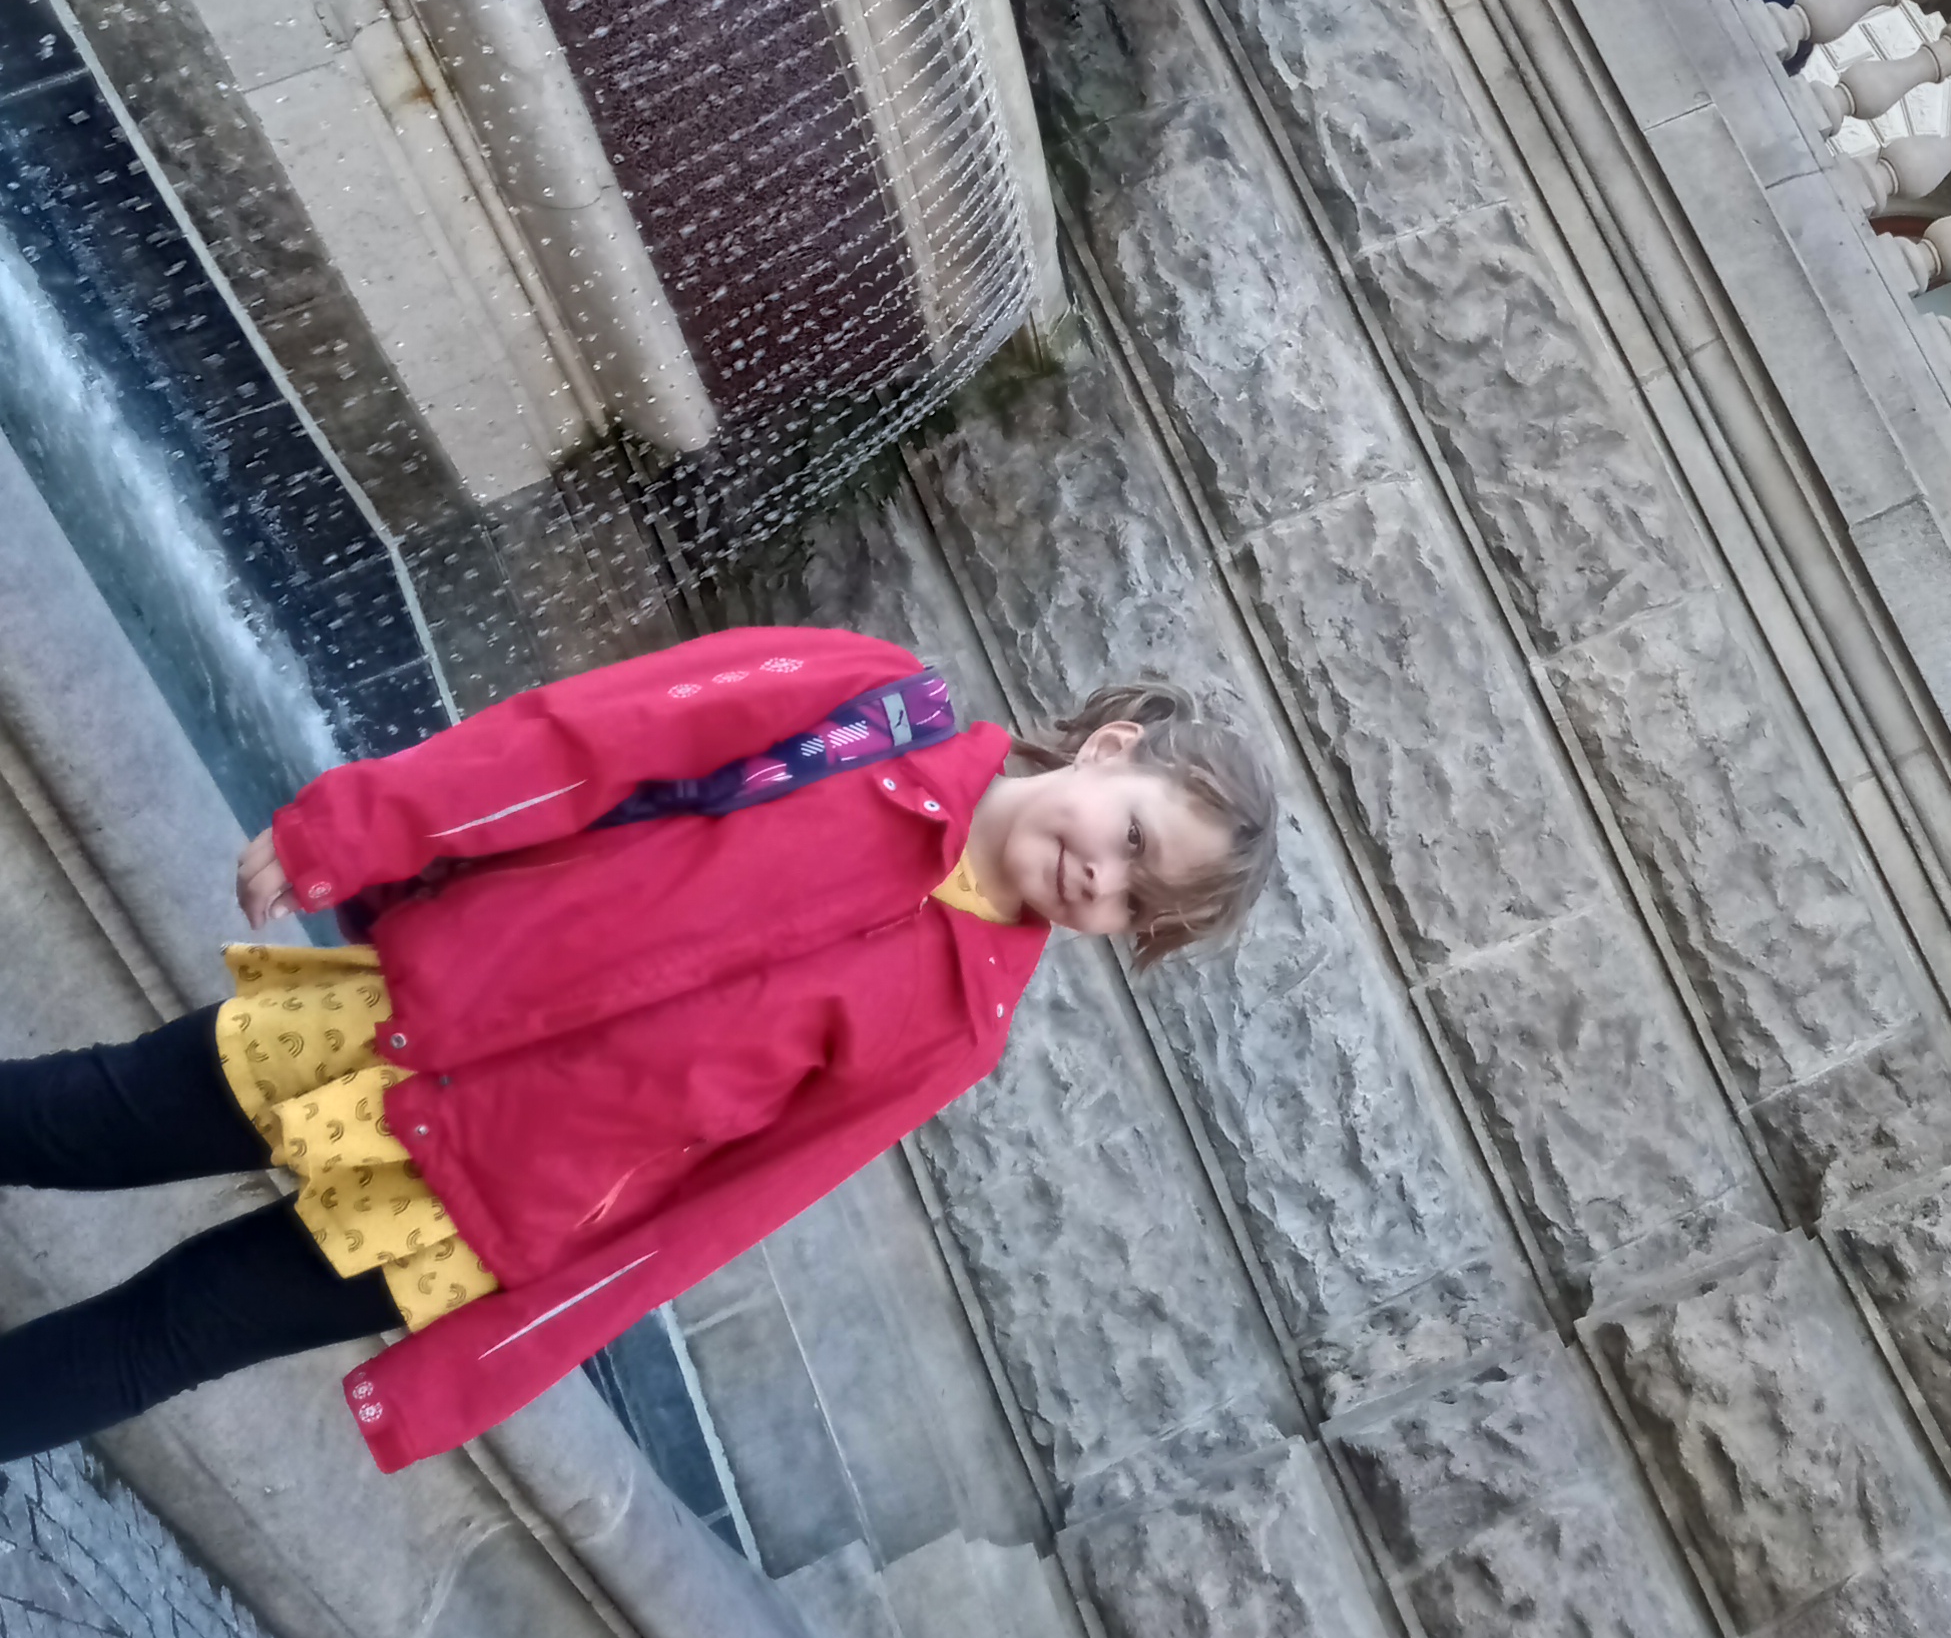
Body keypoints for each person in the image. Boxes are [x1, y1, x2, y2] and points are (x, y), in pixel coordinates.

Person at [0, 628, 1275, 1472]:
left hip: (483, 1204)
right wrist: (358, 825)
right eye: (1131, 839)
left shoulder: (961, 1026)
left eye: (1134, 905)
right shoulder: (870, 703)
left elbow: (727, 1203)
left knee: (176, 1329)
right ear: (1110, 751)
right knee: (74, 1117)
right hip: (406, 1018)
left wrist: (510, 1343)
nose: (1102, 881)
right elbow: (586, 739)